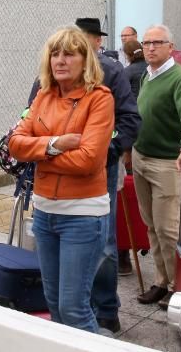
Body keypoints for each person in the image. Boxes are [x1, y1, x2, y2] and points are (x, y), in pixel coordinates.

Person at [9, 27, 114, 332]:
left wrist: (39, 155)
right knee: (53, 305)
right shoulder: (43, 95)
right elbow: (15, 144)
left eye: (69, 53)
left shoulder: (99, 99)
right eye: (55, 53)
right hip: (44, 215)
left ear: (85, 59)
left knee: (74, 308)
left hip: (82, 217)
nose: (60, 60)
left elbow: (88, 161)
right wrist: (54, 144)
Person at [62, 17, 141, 332]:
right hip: (60, 172)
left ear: (96, 42)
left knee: (103, 240)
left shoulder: (110, 72)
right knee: (61, 236)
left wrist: (107, 152)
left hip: (98, 171)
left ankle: (106, 309)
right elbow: (33, 111)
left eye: (89, 38)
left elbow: (130, 119)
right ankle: (69, 306)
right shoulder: (55, 70)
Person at [132, 24, 181, 309]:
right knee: (150, 225)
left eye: (156, 42)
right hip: (140, 158)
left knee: (167, 229)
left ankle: (177, 286)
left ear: (170, 47)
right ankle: (162, 281)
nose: (149, 47)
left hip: (165, 163)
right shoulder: (146, 76)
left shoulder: (179, 78)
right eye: (146, 43)